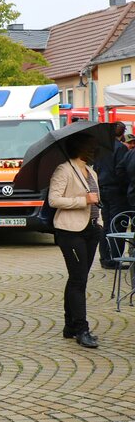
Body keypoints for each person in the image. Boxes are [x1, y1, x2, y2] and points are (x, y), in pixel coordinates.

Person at [48, 134, 102, 348]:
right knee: (78, 280)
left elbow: (97, 200)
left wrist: (100, 223)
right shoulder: (64, 170)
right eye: (91, 146)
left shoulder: (91, 172)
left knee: (78, 278)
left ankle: (70, 326)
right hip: (71, 231)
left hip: (91, 230)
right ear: (80, 149)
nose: (94, 150)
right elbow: (54, 199)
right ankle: (81, 329)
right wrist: (83, 200)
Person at [97, 122, 128, 269]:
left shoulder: (101, 148)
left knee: (106, 224)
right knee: (117, 224)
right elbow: (121, 171)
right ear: (122, 134)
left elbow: (96, 168)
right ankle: (115, 259)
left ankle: (105, 257)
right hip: (116, 191)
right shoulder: (121, 148)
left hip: (103, 188)